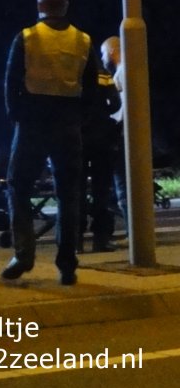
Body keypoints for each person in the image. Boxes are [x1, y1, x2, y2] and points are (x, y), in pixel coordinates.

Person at [2, 0, 97, 285]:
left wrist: (18, 117)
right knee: (69, 194)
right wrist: (80, 120)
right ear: (65, 5)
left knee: (18, 186)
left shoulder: (27, 37)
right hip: (68, 124)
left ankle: (24, 254)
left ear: (40, 6)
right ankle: (67, 264)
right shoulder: (83, 41)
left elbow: (11, 82)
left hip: (32, 123)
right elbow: (92, 88)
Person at [80, 63, 121, 252]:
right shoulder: (103, 74)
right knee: (101, 191)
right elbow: (116, 103)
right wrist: (102, 114)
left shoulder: (70, 71)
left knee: (74, 190)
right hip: (101, 137)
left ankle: (75, 240)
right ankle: (100, 239)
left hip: (75, 136)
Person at [101, 36, 129, 240]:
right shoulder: (127, 70)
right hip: (125, 133)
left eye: (103, 53)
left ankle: (133, 232)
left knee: (123, 187)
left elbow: (123, 109)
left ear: (111, 51)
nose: (102, 58)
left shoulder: (121, 73)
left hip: (122, 135)